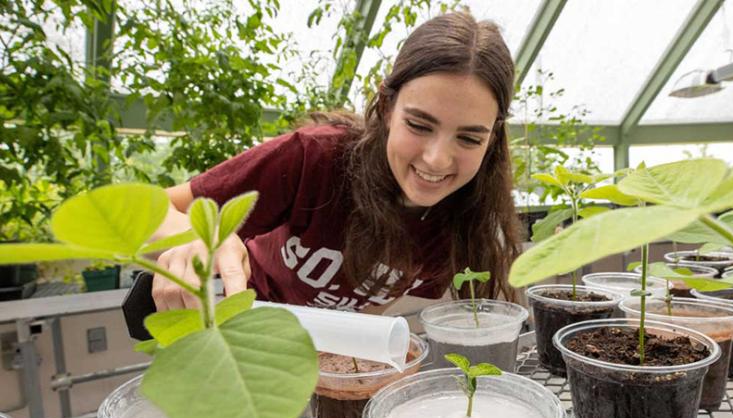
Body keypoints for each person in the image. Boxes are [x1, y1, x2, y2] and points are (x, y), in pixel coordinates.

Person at [151, 11, 522, 314]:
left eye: (470, 138)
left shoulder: (462, 216)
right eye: (419, 125)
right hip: (251, 321)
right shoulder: (314, 159)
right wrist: (201, 237)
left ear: (492, 137)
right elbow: (157, 207)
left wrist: (352, 344)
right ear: (388, 107)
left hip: (331, 343)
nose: (437, 160)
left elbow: (377, 297)